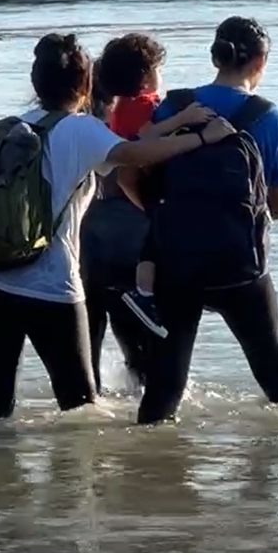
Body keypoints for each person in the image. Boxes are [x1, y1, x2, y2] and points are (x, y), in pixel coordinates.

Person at [0, 32, 238, 423]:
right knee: (80, 411)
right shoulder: (80, 129)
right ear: (87, 84)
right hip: (49, 288)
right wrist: (202, 137)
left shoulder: (5, 128)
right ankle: (73, 485)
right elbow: (136, 155)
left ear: (36, 83)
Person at [132, 16, 278, 424]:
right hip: (240, 265)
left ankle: (146, 472)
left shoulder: (175, 107)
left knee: (165, 386)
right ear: (261, 62)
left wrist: (166, 218)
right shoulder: (271, 118)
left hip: (175, 262)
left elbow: (136, 168)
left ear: (215, 57)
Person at [81, 34, 213, 390]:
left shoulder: (86, 122)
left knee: (86, 354)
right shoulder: (144, 113)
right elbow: (136, 169)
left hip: (85, 243)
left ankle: (89, 411)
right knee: (144, 357)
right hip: (131, 240)